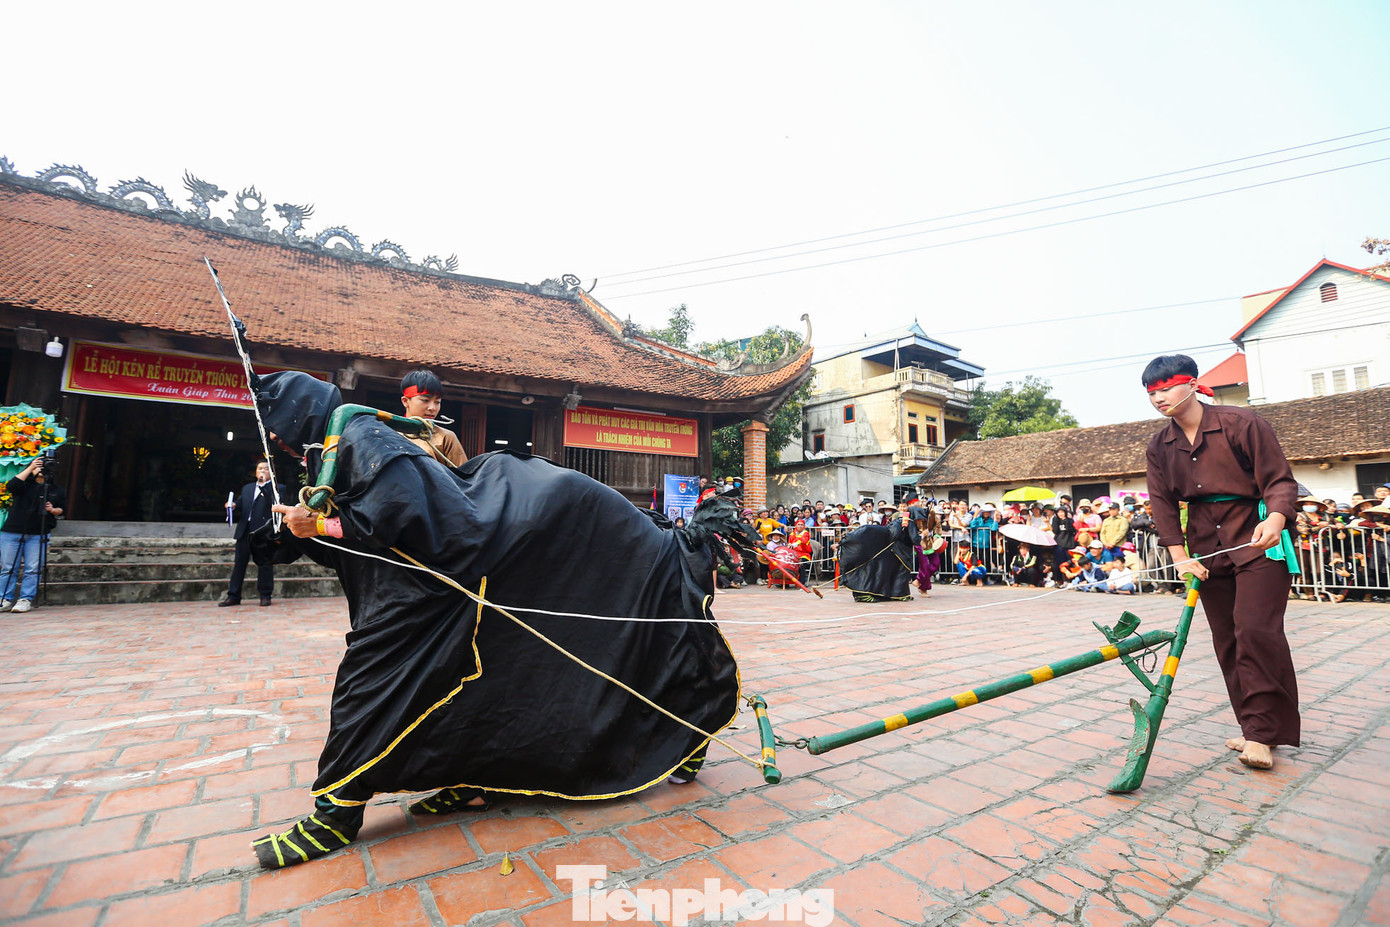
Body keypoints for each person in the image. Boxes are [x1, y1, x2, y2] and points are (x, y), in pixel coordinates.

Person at [249, 372, 745, 868]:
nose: (271, 436)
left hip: (481, 561)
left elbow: (423, 521)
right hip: (431, 587)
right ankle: (471, 782)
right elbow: (358, 532)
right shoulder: (330, 450)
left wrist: (322, 524)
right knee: (483, 684)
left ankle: (336, 811)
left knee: (370, 691)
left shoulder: (364, 438)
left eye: (272, 423)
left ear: (296, 413)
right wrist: (297, 533)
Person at [1143, 353, 1300, 772]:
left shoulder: (1242, 424)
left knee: (1256, 631)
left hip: (1259, 539)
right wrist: (1179, 556)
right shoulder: (1160, 445)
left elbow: (1280, 480)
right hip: (1204, 547)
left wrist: (1279, 518)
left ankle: (1262, 735)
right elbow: (1161, 502)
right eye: (1151, 393)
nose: (1159, 399)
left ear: (1192, 384)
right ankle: (1256, 726)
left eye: (1166, 389)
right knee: (1227, 639)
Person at [0, 454, 66, 613]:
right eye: (39, 466)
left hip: (38, 533)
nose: (41, 469)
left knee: (32, 568)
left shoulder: (54, 489)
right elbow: (12, 486)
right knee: (8, 567)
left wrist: (52, 510)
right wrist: (30, 467)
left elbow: (61, 510)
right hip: (13, 531)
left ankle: (25, 598)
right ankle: (5, 598)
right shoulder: (24, 485)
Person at [220, 460, 286, 607]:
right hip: (245, 531)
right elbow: (241, 504)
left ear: (272, 473)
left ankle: (265, 595)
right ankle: (233, 596)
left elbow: (275, 504)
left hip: (263, 532)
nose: (262, 471)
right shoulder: (248, 488)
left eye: (265, 469)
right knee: (239, 565)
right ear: (255, 472)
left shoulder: (277, 488)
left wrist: (265, 486)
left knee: (264, 564)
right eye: (259, 469)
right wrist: (232, 505)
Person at [400, 370, 467, 467]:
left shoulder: (446, 437)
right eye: (425, 400)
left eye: (437, 402)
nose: (432, 408)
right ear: (405, 401)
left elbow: (462, 476)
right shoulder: (389, 433)